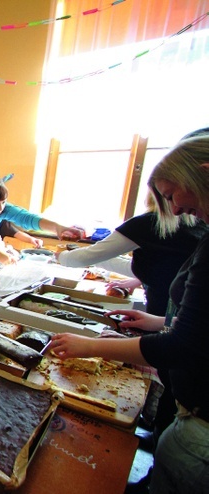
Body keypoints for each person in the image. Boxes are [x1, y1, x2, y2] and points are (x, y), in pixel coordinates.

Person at [47, 135, 209, 494]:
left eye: (172, 194)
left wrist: (90, 346)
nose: (177, 208)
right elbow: (198, 329)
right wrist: (158, 323)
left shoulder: (165, 226)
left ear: (202, 174)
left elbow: (184, 344)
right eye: (166, 198)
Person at [57, 194, 206, 316]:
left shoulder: (148, 223)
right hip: (181, 311)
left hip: (167, 311)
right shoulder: (197, 221)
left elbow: (82, 258)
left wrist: (58, 256)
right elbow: (167, 266)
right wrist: (138, 280)